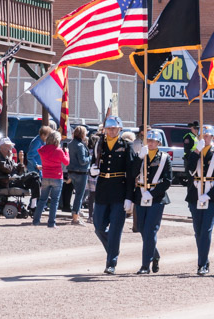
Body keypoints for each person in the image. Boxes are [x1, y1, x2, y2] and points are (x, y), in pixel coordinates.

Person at [90, 115, 136, 274]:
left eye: (114, 128)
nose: (111, 131)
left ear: (120, 129)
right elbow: (94, 161)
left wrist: (129, 197)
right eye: (109, 128)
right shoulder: (99, 144)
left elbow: (130, 174)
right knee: (98, 226)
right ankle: (113, 248)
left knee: (116, 229)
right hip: (103, 190)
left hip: (119, 191)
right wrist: (92, 171)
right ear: (105, 129)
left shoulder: (126, 146)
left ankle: (111, 262)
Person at [130, 129, 172, 274]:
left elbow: (167, 181)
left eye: (154, 141)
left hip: (157, 198)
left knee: (150, 230)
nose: (151, 143)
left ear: (159, 142)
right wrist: (139, 158)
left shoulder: (164, 158)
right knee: (141, 228)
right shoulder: (141, 155)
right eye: (149, 140)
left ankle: (145, 265)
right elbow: (132, 173)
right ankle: (155, 254)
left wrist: (152, 193)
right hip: (140, 195)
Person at [185, 126, 214, 275]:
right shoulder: (195, 152)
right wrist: (197, 152)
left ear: (213, 138)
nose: (205, 138)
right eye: (202, 135)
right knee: (198, 230)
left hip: (211, 196)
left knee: (206, 229)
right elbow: (189, 170)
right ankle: (204, 258)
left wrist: (209, 195)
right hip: (195, 195)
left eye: (208, 136)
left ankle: (202, 264)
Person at [0, 137, 41, 208]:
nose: (10, 149)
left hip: (14, 179)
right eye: (8, 147)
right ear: (2, 147)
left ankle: (33, 205)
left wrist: (21, 161)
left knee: (35, 177)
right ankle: (33, 205)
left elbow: (18, 171)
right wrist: (10, 158)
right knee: (34, 175)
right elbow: (8, 169)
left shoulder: (6, 157)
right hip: (8, 182)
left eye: (10, 147)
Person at [34, 131, 69, 227]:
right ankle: (51, 223)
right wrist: (66, 153)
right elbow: (66, 162)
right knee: (54, 201)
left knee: (42, 200)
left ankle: (36, 221)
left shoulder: (42, 149)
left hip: (45, 176)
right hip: (57, 177)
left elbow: (39, 150)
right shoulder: (59, 151)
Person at [67, 125, 91, 225]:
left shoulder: (70, 144)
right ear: (82, 134)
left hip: (71, 172)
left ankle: (76, 213)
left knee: (77, 194)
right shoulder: (80, 145)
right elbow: (83, 161)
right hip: (81, 172)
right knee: (79, 195)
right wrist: (91, 157)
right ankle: (75, 218)